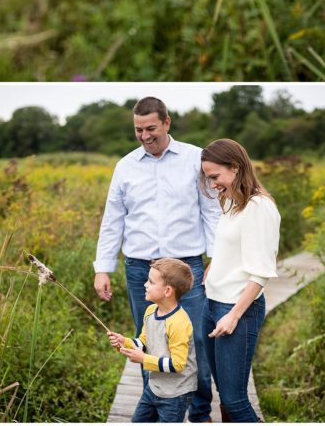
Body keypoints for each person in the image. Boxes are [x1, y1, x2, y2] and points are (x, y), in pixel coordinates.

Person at [93, 97, 218, 422]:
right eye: (138, 130)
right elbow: (113, 219)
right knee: (149, 341)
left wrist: (215, 259)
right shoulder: (125, 166)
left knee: (198, 341)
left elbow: (211, 212)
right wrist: (102, 268)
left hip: (185, 267)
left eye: (151, 128)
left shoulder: (195, 158)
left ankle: (200, 412)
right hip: (140, 270)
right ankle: (159, 408)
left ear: (167, 122)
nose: (145, 135)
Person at [200, 139, 280, 423]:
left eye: (215, 177)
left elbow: (261, 273)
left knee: (235, 400)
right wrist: (215, 265)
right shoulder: (233, 201)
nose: (212, 185)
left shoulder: (259, 207)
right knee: (224, 392)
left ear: (235, 167)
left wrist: (234, 315)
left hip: (237, 310)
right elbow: (233, 245)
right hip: (212, 305)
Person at [108, 258, 199, 423]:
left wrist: (144, 359)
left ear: (167, 291)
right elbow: (144, 342)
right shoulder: (151, 311)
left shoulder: (178, 323)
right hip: (155, 387)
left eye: (150, 281)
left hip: (176, 393)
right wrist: (125, 342)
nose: (145, 284)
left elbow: (178, 364)